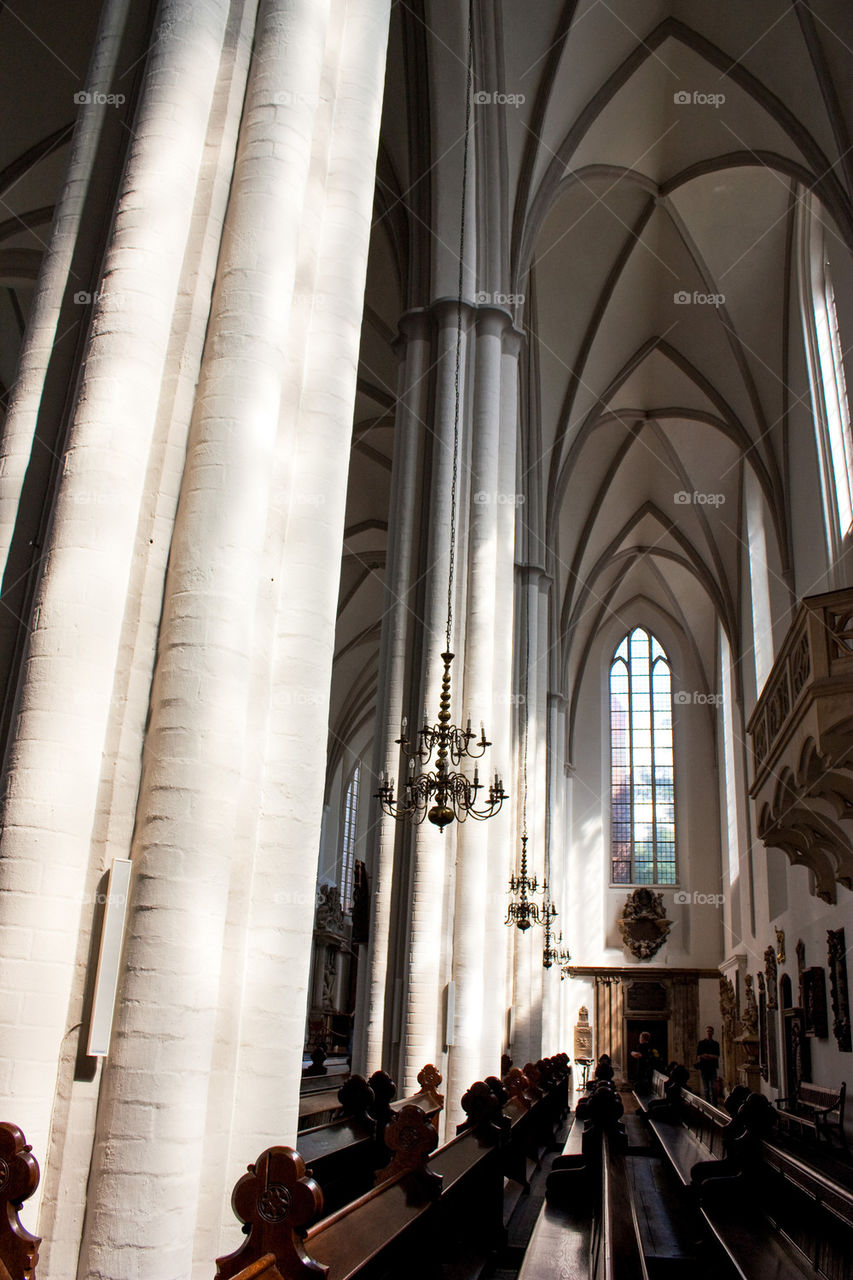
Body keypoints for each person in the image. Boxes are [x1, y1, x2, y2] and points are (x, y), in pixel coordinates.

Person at [695, 1025, 721, 1103]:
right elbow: (699, 1055)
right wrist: (710, 1056)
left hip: (712, 1067)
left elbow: (717, 1056)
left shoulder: (716, 1044)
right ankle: (708, 1104)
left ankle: (715, 1104)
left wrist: (707, 1055)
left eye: (710, 1031)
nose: (709, 1033)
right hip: (704, 1068)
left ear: (713, 1033)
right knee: (706, 1088)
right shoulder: (701, 1043)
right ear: (706, 1032)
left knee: (713, 1088)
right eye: (707, 1031)